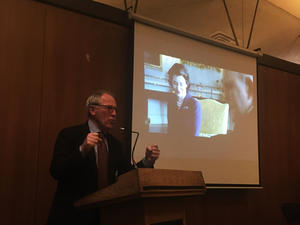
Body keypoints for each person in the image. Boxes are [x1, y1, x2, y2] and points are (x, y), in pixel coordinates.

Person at [47, 90, 160, 225]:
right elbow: (56, 170)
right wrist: (82, 150)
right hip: (72, 216)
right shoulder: (70, 135)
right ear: (92, 110)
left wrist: (147, 161)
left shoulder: (115, 144)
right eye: (109, 108)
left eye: (115, 110)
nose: (114, 114)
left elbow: (128, 176)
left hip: (106, 216)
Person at [167, 63, 202, 136]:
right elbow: (170, 130)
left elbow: (195, 135)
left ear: (186, 84)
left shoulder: (195, 105)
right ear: (171, 83)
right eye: (175, 83)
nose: (178, 88)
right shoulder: (171, 103)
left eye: (181, 84)